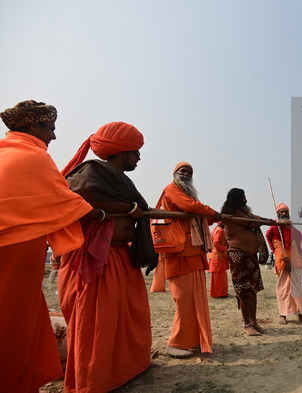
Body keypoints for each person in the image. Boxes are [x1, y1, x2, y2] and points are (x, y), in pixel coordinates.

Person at [0, 100, 96, 393]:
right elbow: (64, 198)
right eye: (50, 128)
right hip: (17, 250)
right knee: (14, 324)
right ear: (33, 125)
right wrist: (101, 212)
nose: (53, 136)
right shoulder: (35, 157)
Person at [58, 121, 158, 393]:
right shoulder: (91, 171)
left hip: (120, 256)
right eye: (136, 153)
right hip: (96, 257)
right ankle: (94, 378)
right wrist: (126, 208)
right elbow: (73, 196)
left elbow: (139, 208)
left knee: (128, 316)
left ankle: (127, 367)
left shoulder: (121, 179)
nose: (138, 158)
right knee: (98, 321)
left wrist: (133, 209)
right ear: (123, 152)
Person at [159, 162, 221, 357]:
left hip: (193, 251)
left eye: (189, 172)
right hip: (179, 252)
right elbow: (189, 207)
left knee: (196, 299)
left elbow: (197, 214)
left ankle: (193, 340)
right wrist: (213, 213)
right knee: (184, 300)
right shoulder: (172, 189)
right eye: (182, 171)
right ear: (174, 173)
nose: (186, 174)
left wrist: (212, 216)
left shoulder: (189, 195)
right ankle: (176, 343)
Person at [221, 188, 269, 336]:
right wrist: (266, 222)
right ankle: (246, 323)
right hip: (238, 257)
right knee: (244, 292)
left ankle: (254, 322)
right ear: (238, 198)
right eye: (243, 196)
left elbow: (254, 218)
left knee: (252, 291)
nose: (246, 198)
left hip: (250, 257)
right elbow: (251, 222)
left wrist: (270, 221)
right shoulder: (231, 212)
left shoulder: (243, 212)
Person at [266, 203, 302, 324]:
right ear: (277, 214)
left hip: (297, 262)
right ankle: (283, 315)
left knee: (301, 289)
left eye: (285, 211)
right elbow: (278, 246)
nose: (284, 213)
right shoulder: (275, 228)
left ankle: (300, 313)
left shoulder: (291, 227)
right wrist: (286, 261)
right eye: (281, 212)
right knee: (284, 290)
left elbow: (299, 239)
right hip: (284, 263)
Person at [208, 223, 230, 298]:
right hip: (218, 257)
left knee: (217, 277)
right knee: (220, 276)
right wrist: (224, 249)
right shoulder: (220, 231)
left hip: (215, 256)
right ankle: (220, 294)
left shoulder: (216, 229)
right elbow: (216, 243)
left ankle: (219, 293)